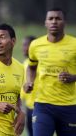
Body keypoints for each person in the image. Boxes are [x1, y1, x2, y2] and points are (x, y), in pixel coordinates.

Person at [24, 8, 76, 136]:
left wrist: (73, 77)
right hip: (43, 104)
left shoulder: (74, 44)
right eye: (50, 19)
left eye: (58, 19)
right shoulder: (35, 45)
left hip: (68, 105)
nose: (54, 22)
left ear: (64, 23)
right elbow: (31, 67)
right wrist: (29, 81)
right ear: (45, 23)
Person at [20, 36, 36, 136]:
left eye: (26, 45)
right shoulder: (25, 64)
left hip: (41, 107)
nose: (23, 48)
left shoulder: (40, 63)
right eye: (23, 45)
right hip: (29, 107)